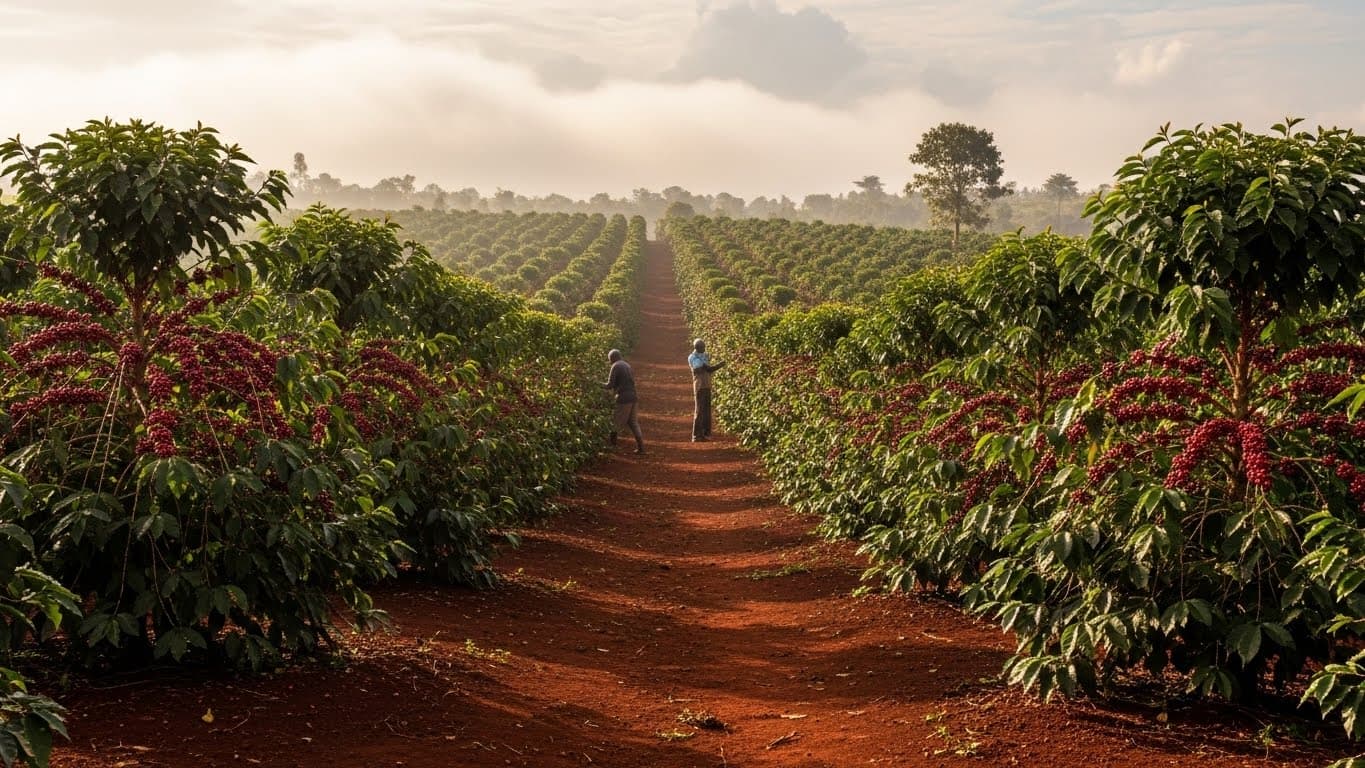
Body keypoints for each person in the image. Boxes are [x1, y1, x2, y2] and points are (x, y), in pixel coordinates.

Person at [604, 349, 644, 454]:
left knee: (616, 422)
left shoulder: (615, 366)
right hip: (633, 397)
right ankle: (641, 448)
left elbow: (610, 385)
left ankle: (612, 448)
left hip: (623, 398)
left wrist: (595, 383)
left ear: (612, 358)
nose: (609, 362)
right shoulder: (627, 365)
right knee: (633, 422)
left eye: (609, 360)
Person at [688, 338, 725, 442]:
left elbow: (709, 369)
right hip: (699, 386)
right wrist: (719, 365)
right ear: (697, 348)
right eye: (702, 347)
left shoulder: (704, 355)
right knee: (699, 411)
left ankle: (705, 433)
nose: (704, 349)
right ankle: (696, 435)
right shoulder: (693, 357)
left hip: (707, 385)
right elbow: (703, 369)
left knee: (707, 410)